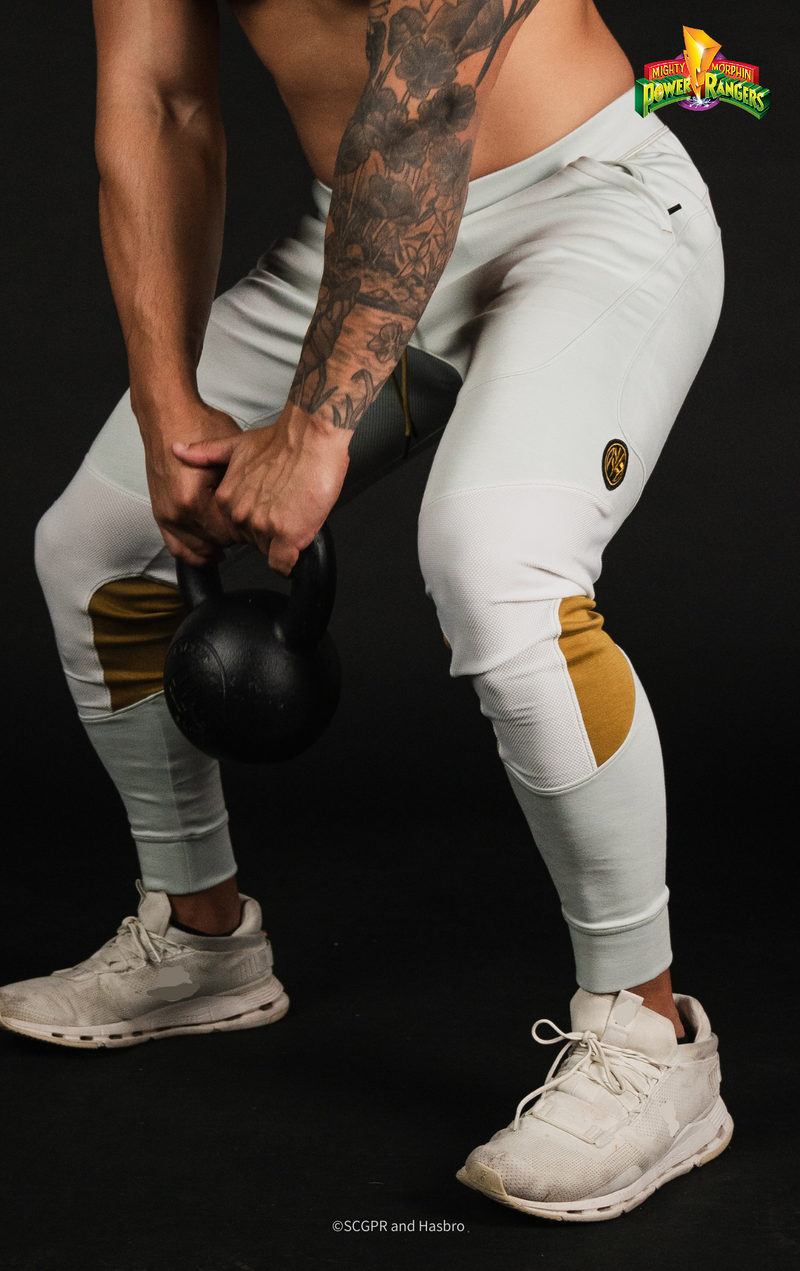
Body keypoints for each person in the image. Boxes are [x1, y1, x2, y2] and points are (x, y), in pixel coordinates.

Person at [0, 0, 731, 1222]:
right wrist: (167, 401)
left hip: (584, 207)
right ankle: (202, 937)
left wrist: (313, 426)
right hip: (362, 234)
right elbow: (160, 102)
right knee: (94, 549)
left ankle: (649, 1038)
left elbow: (428, 91)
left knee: (494, 564)